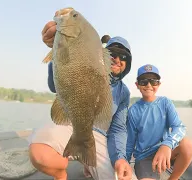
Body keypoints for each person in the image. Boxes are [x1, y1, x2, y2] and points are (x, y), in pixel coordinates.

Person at [28, 21, 137, 180]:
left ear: (127, 64)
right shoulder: (87, 66)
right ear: (103, 55)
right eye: (113, 53)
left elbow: (118, 129)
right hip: (70, 123)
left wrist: (120, 158)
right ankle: (60, 174)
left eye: (124, 57)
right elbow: (54, 85)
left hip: (97, 136)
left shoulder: (123, 92)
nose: (117, 59)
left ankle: (87, 160)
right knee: (41, 154)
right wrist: (58, 48)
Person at [126, 64, 192, 180]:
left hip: (166, 152)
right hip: (145, 158)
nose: (149, 85)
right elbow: (130, 142)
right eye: (144, 81)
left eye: (153, 81)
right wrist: (125, 163)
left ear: (159, 84)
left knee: (187, 145)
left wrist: (166, 145)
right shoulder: (133, 110)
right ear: (137, 85)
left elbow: (180, 127)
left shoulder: (165, 103)